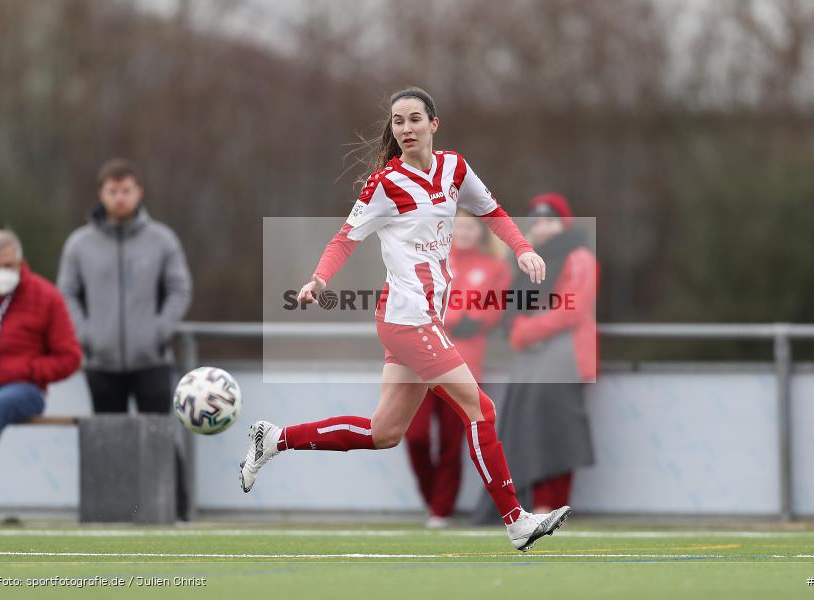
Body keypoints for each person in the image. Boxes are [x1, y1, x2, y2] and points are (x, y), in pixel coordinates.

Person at [240, 87, 570, 551]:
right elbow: (344, 239)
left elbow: (493, 212)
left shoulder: (454, 168)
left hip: (420, 318)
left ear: (434, 124)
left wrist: (524, 248)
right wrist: (318, 279)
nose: (406, 128)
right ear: (392, 130)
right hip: (407, 318)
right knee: (482, 409)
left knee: (384, 433)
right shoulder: (385, 183)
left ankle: (274, 438)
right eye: (398, 121)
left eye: (415, 119)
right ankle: (515, 520)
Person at [474, 193, 598, 522]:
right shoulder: (532, 261)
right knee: (533, 431)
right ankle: (540, 506)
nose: (543, 228)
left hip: (565, 359)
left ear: (564, 223)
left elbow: (573, 308)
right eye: (537, 222)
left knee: (558, 434)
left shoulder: (579, 257)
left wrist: (525, 331)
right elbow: (509, 299)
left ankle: (552, 506)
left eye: (550, 220)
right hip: (535, 360)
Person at [57, 158, 192, 413]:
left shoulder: (162, 240)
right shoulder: (79, 244)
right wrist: (86, 336)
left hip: (152, 361)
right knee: (110, 445)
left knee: (157, 441)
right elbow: (66, 294)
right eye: (113, 191)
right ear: (101, 194)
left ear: (139, 192)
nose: (120, 198)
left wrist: (159, 331)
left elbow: (180, 289)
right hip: (101, 363)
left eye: (126, 191)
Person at [404, 210, 511, 528]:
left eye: (470, 227)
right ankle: (431, 497)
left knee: (452, 440)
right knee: (415, 435)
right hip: (420, 362)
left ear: (481, 233)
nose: (464, 232)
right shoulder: (429, 260)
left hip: (463, 365)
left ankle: (441, 509)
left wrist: (467, 321)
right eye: (458, 226)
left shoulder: (494, 268)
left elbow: (492, 312)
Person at [0, 229, 81, 467]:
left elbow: (70, 357)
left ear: (21, 263)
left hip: (24, 388)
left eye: (8, 265)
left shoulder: (45, 296)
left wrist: (29, 369)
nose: (1, 273)